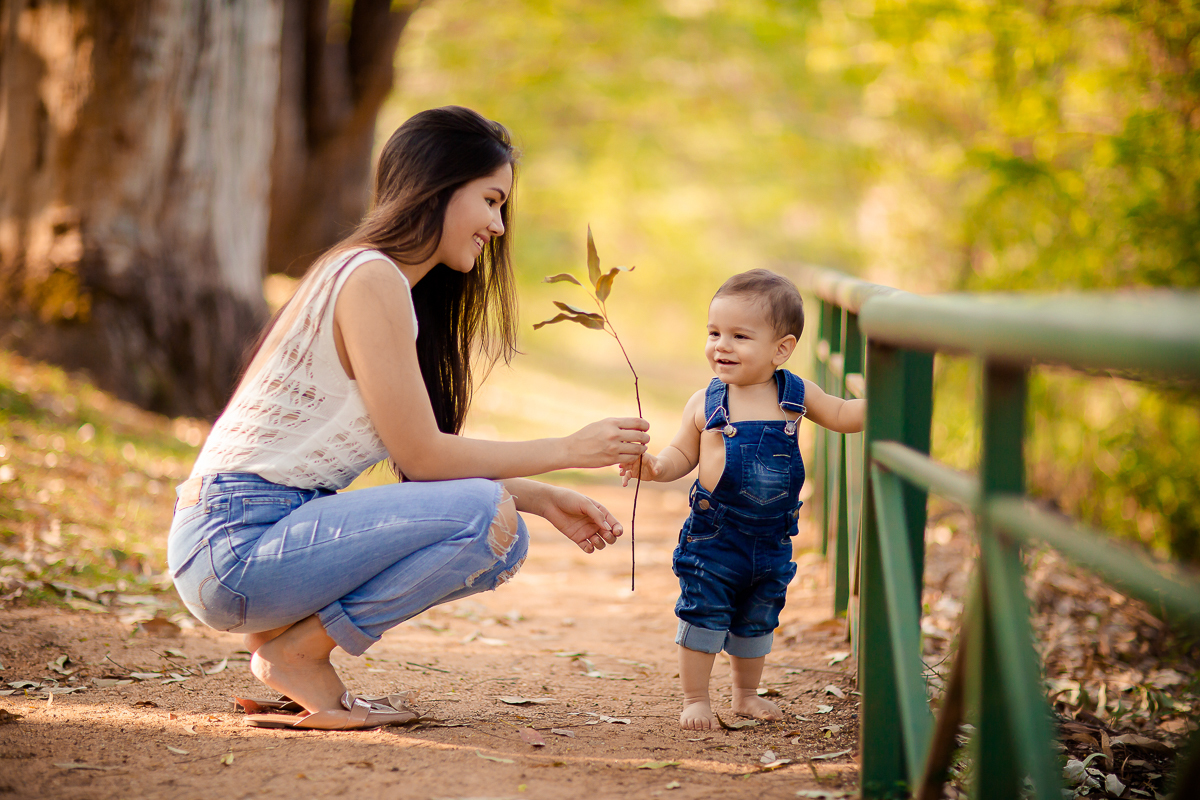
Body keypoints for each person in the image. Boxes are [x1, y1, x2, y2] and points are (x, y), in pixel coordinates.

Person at [168, 106, 650, 731]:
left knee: (502, 537)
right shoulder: (370, 278)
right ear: (440, 187)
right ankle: (297, 654)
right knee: (483, 516)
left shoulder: (376, 278)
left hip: (252, 539)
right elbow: (424, 460)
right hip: (234, 545)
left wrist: (536, 496)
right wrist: (569, 447)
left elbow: (416, 466)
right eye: (490, 200)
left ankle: (285, 645)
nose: (499, 226)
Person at [618, 269, 863, 730]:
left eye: (739, 336)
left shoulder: (796, 394)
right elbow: (678, 456)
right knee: (704, 611)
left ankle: (746, 694)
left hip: (772, 539)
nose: (721, 346)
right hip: (716, 535)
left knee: (758, 618)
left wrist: (888, 400)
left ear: (781, 349)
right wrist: (652, 468)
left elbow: (845, 414)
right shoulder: (706, 401)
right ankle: (695, 697)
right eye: (714, 333)